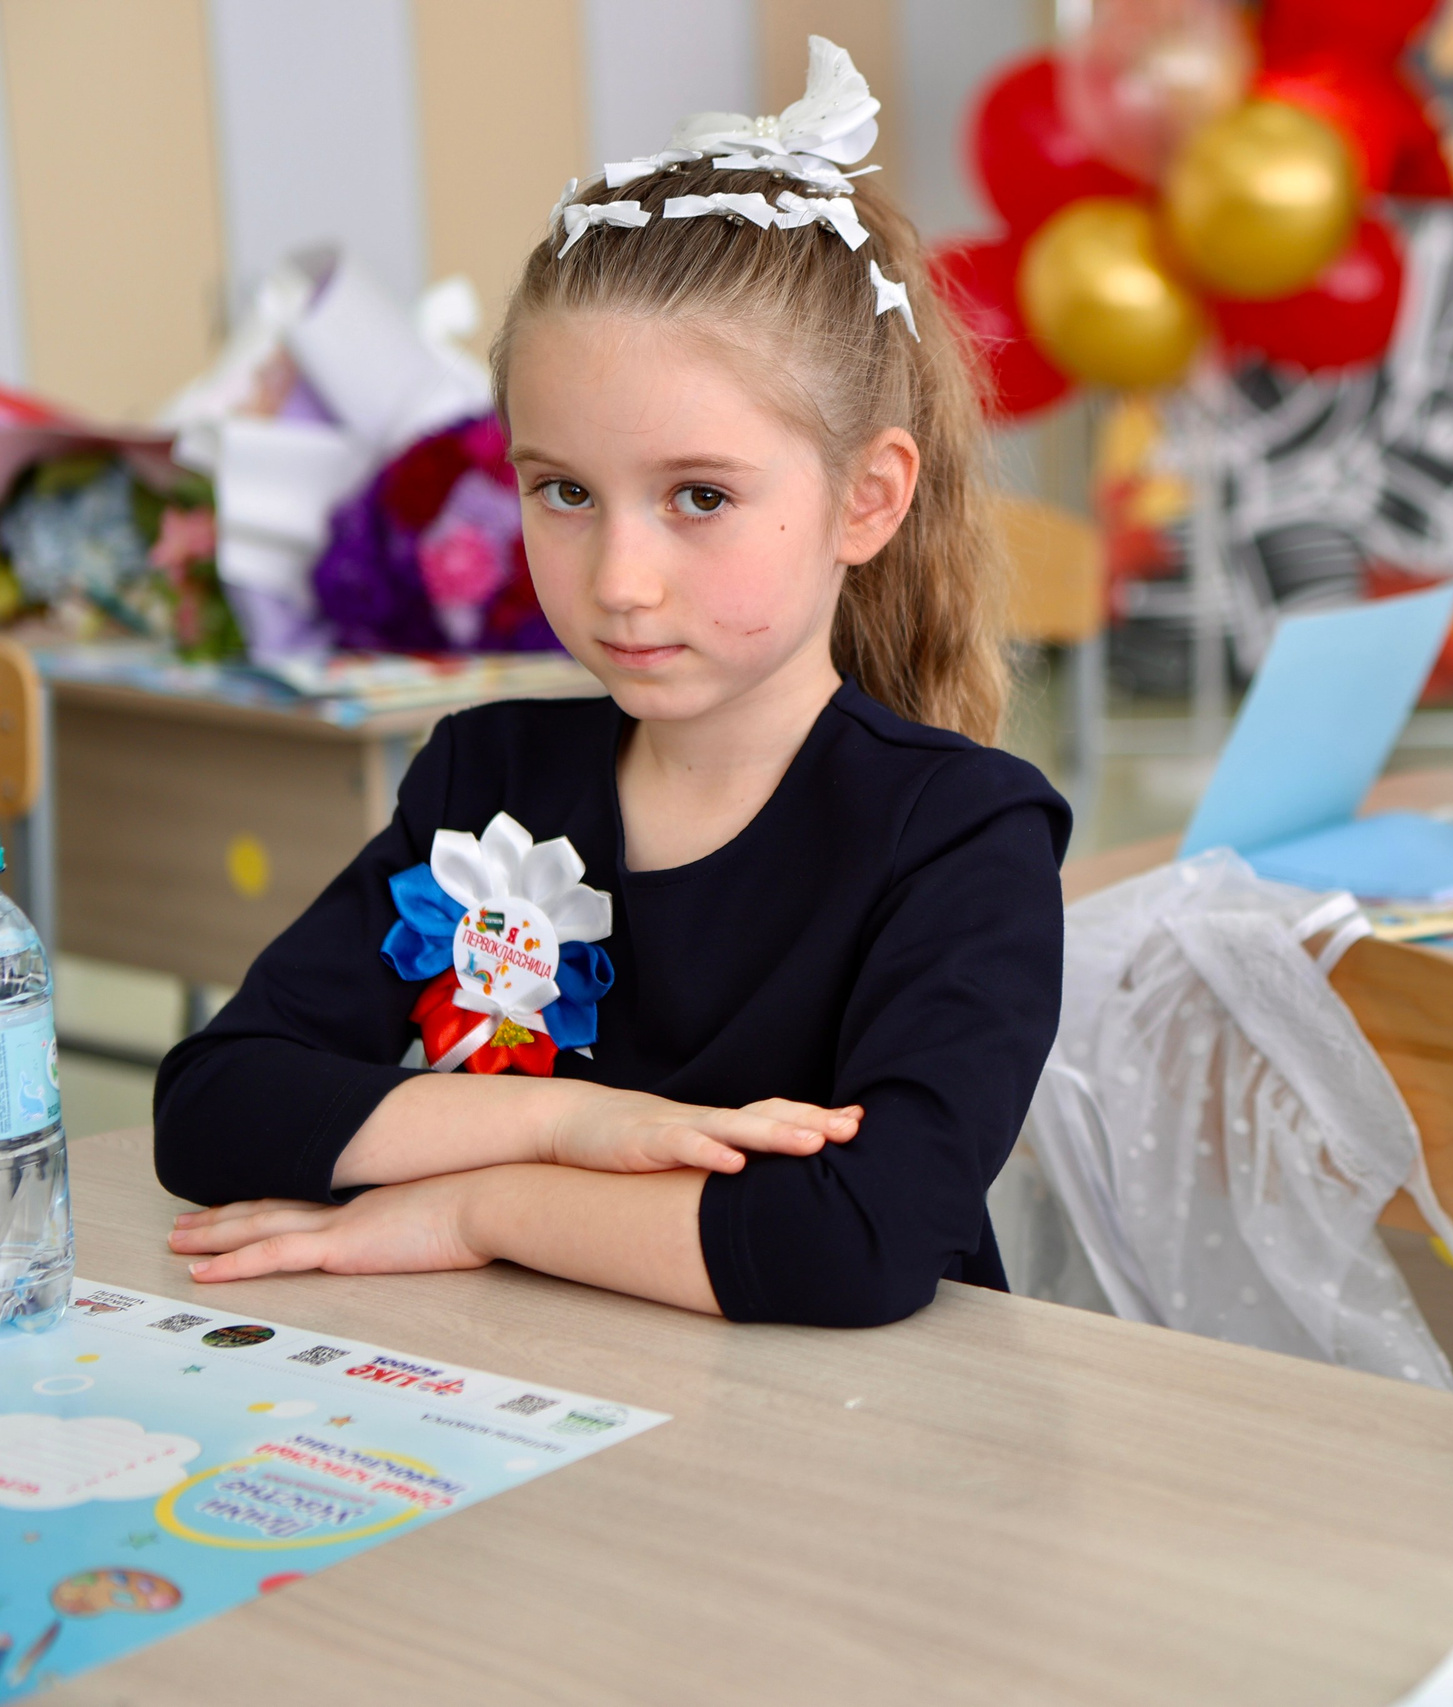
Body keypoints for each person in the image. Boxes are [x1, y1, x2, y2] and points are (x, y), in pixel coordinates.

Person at [152, 40, 1069, 1328]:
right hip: (546, 1383)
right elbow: (216, 1106)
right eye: (564, 491)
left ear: (867, 500)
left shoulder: (965, 833)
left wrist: (479, 1207)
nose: (621, 581)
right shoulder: (484, 778)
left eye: (699, 497)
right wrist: (572, 1124)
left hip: (850, 1429)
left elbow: (855, 1242)